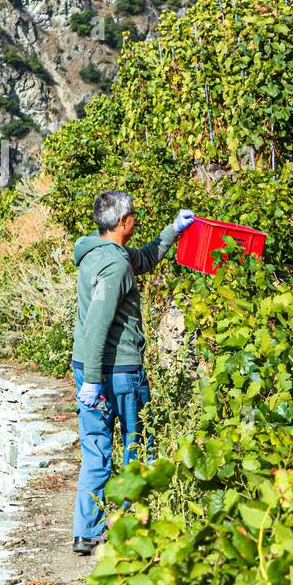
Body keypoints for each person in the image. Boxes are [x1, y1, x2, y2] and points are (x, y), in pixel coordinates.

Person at [69, 191, 194, 555]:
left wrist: (173, 230)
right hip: (116, 371)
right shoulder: (114, 266)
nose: (136, 221)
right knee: (136, 445)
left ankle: (85, 531)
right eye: (134, 216)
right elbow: (97, 324)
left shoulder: (98, 253)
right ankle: (130, 527)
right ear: (123, 223)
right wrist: (94, 379)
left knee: (94, 448)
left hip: (89, 367)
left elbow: (144, 259)